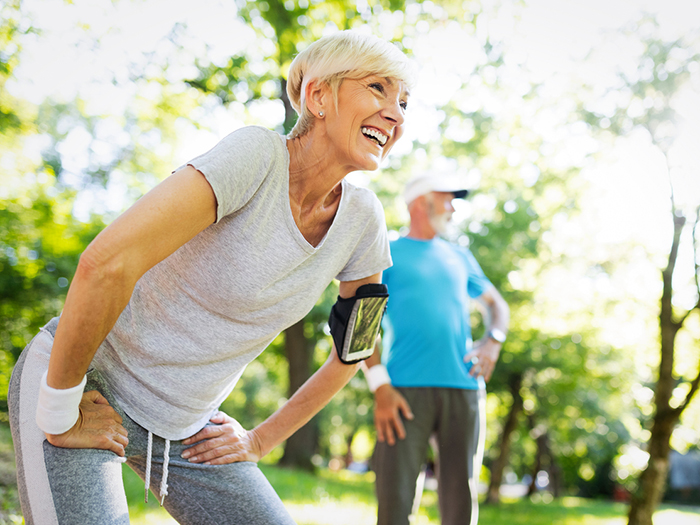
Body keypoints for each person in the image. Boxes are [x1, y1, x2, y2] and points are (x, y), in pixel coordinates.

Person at [9, 30, 414, 525]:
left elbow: (354, 350)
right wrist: (59, 410)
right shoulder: (257, 157)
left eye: (404, 102)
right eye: (377, 88)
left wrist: (260, 439)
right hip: (84, 389)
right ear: (318, 96)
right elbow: (107, 263)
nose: (395, 114)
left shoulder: (364, 223)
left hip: (188, 429)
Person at [363, 172, 510, 525]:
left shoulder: (459, 256)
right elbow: (363, 323)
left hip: (464, 387)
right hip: (402, 392)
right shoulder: (385, 252)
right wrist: (379, 386)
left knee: (461, 501)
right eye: (447, 199)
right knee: (394, 501)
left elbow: (497, 306)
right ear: (420, 202)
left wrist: (493, 341)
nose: (454, 208)